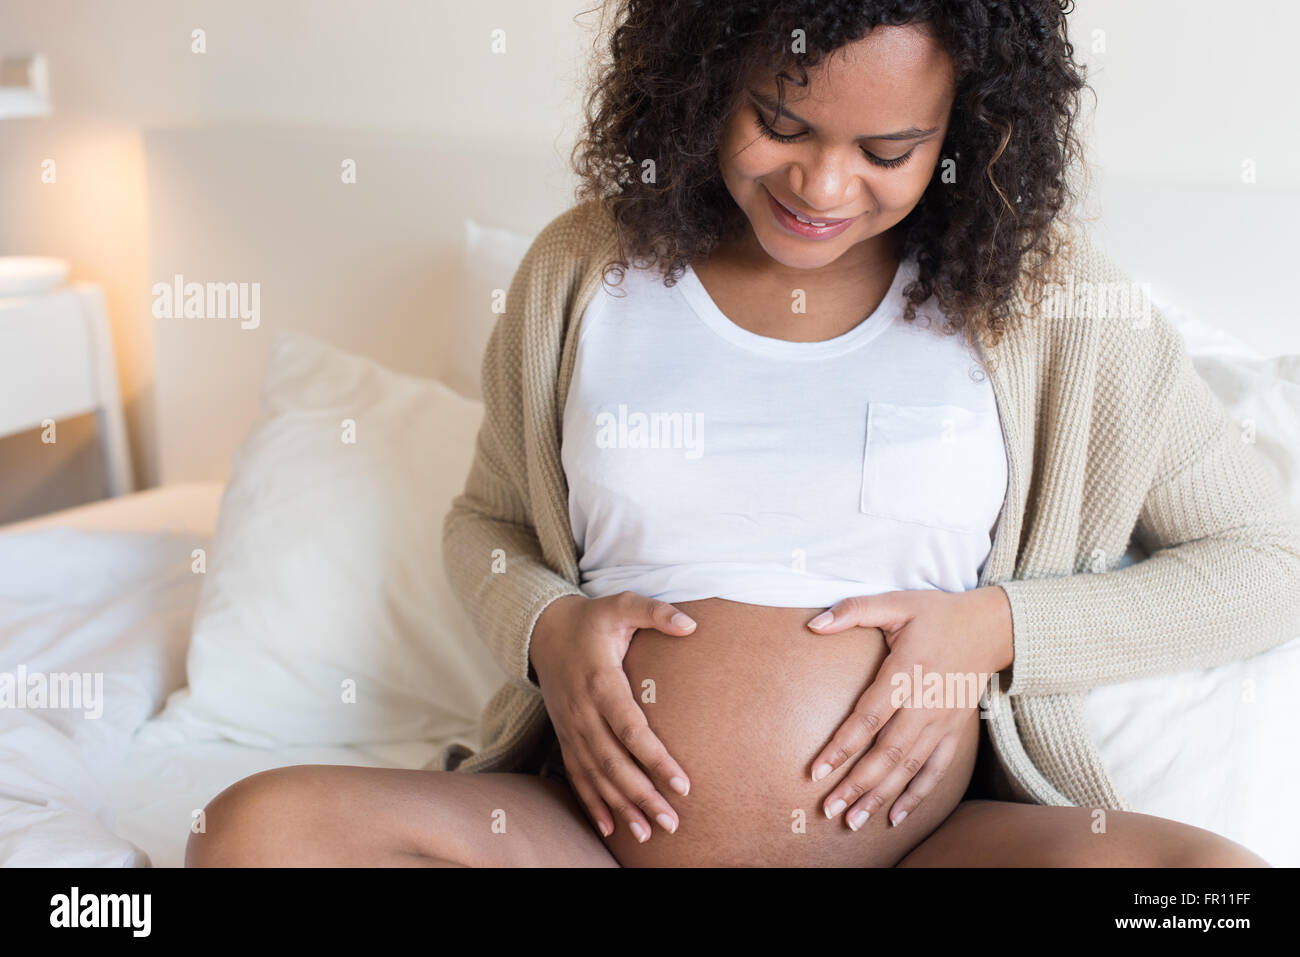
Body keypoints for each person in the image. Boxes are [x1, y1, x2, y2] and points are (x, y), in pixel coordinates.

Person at [187, 0, 1298, 867]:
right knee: (253, 834)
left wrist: (990, 631)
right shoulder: (585, 266)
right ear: (704, 79)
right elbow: (485, 522)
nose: (821, 184)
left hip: (932, 853)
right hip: (579, 844)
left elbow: (1269, 562)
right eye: (780, 123)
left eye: (888, 149)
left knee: (1202, 889)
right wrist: (546, 627)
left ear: (967, 128)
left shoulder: (1046, 301)